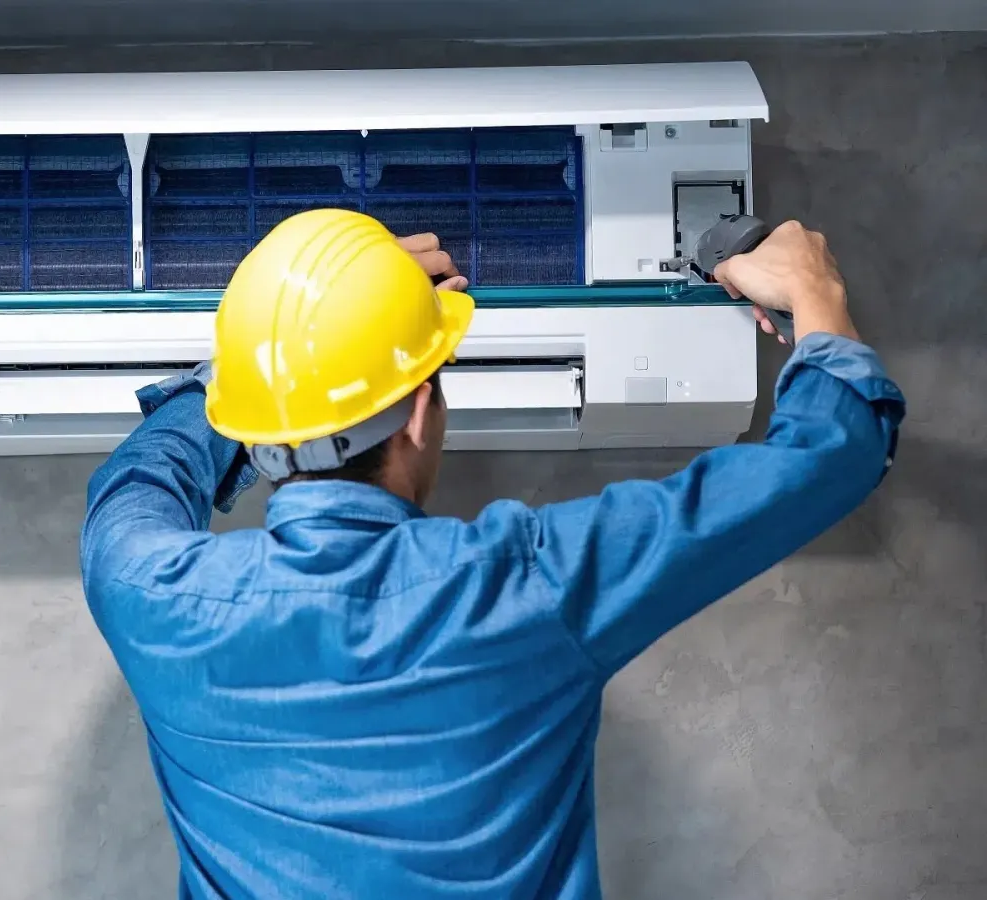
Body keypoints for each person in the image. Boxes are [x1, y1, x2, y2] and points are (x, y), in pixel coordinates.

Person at [79, 209, 904, 899]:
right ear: (418, 415)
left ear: (250, 428)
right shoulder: (529, 583)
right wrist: (813, 291)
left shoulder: (147, 591)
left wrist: (303, 332)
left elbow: (144, 471)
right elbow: (831, 455)